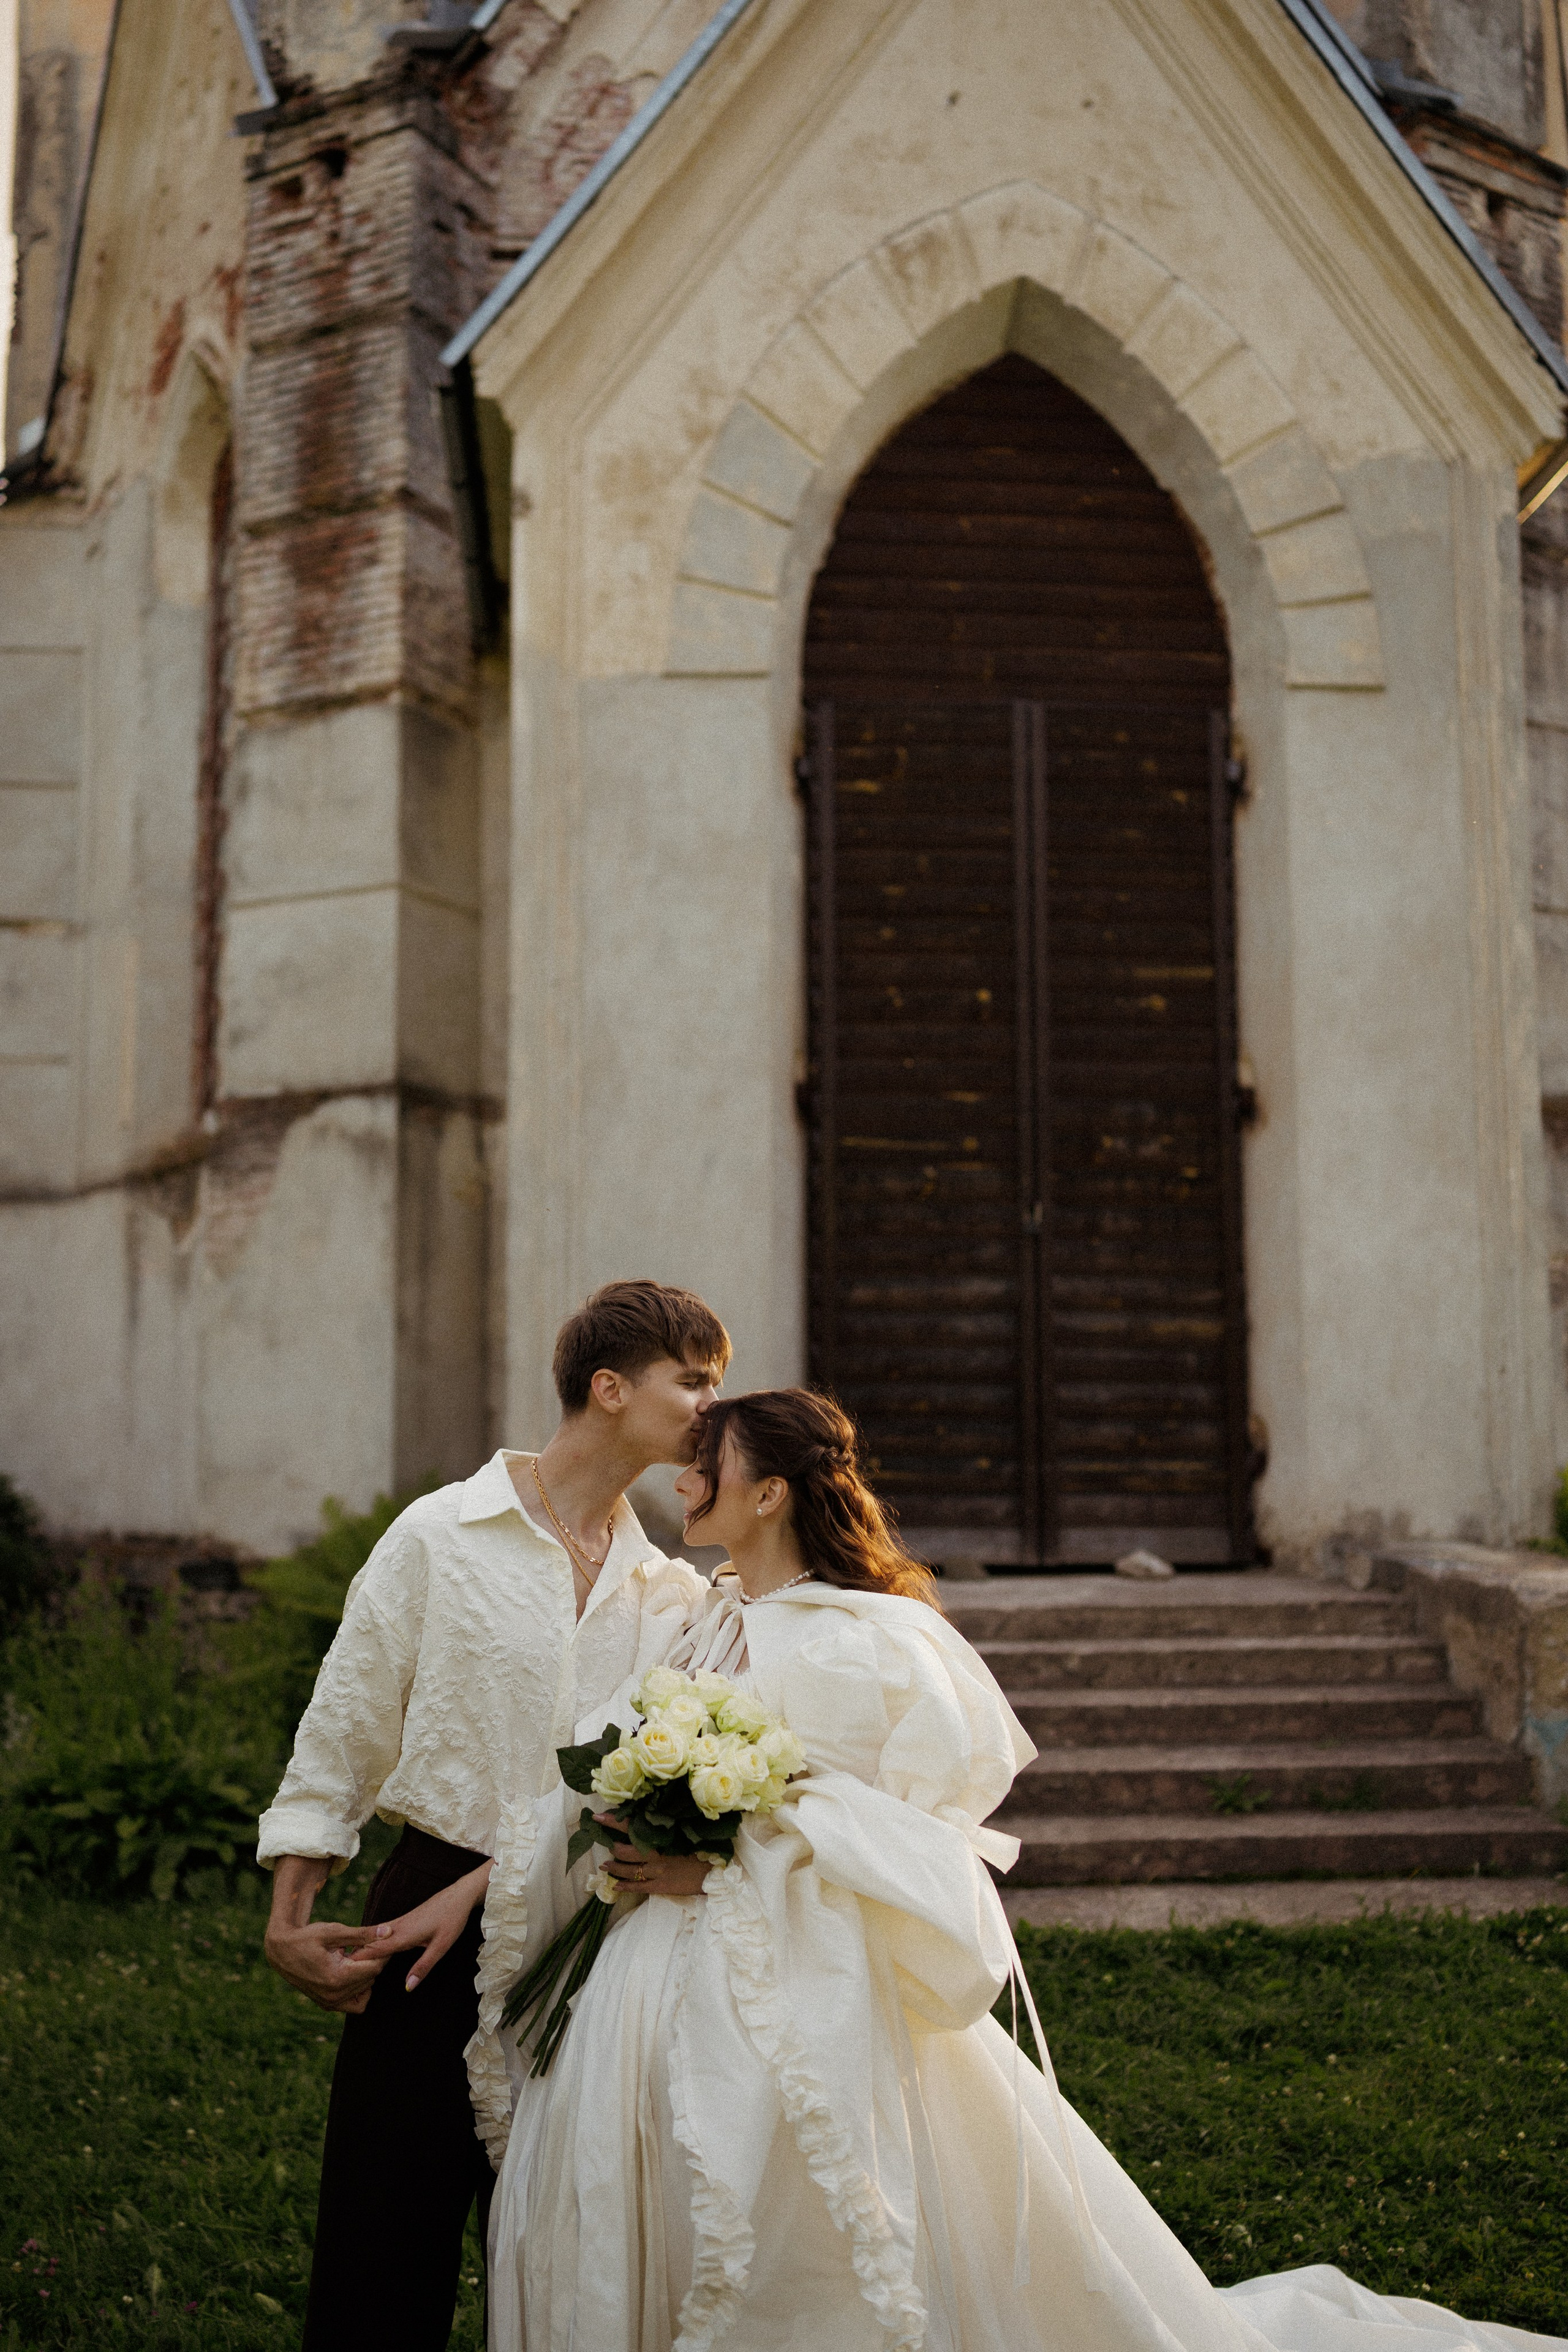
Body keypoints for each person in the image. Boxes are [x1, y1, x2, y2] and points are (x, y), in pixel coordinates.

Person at [483, 1388, 1568, 2352]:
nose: (686, 1480)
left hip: (794, 1966)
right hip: (647, 1972)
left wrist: (725, 1849)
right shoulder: (708, 1619)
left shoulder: (868, 1642)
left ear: (766, 1494)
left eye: (707, 1464)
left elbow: (906, 1826)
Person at [255, 1278, 731, 2352]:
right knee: (386, 2242)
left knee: (573, 2248)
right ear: (609, 1388)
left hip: (594, 1933)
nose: (714, 1404)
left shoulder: (671, 1590)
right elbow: (349, 1716)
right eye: (693, 1380)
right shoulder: (443, 1533)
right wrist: (292, 1910)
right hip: (425, 1914)